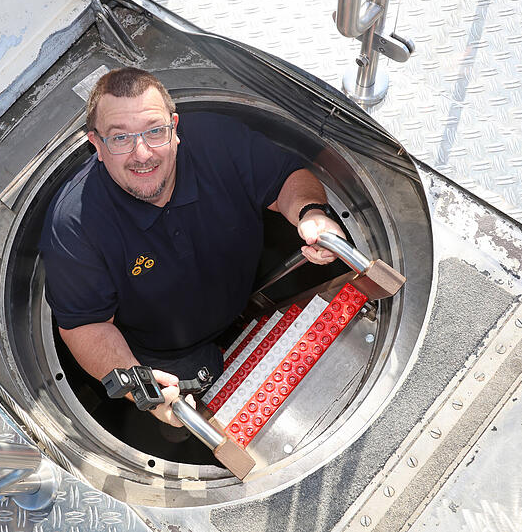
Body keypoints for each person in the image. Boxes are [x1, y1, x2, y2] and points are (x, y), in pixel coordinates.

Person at [39, 68, 345, 427]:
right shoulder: (75, 225)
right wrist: (146, 390)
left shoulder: (216, 140)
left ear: (175, 128)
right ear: (97, 145)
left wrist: (311, 214)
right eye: (120, 138)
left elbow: (287, 179)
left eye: (155, 131)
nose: (142, 154)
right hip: (166, 355)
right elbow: (86, 326)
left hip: (244, 299)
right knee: (182, 420)